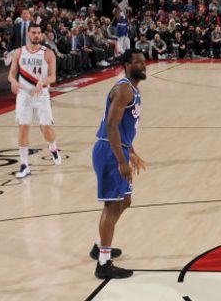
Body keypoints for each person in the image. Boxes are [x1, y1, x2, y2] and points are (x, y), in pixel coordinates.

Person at [91, 49, 147, 279]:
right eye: (137, 62)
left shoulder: (132, 89)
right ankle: (103, 263)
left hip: (117, 149)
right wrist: (121, 160)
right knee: (112, 206)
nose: (143, 66)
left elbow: (124, 127)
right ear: (126, 64)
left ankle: (100, 245)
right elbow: (112, 127)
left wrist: (131, 152)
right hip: (109, 152)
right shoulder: (123, 89)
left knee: (125, 200)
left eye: (144, 62)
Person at [8, 23, 62, 178]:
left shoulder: (48, 53)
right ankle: (24, 165)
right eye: (34, 32)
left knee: (46, 129)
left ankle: (52, 147)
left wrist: (43, 82)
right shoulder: (19, 52)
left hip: (41, 95)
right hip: (24, 95)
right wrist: (13, 81)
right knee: (23, 127)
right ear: (28, 34)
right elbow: (11, 74)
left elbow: (53, 76)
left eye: (39, 32)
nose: (37, 35)